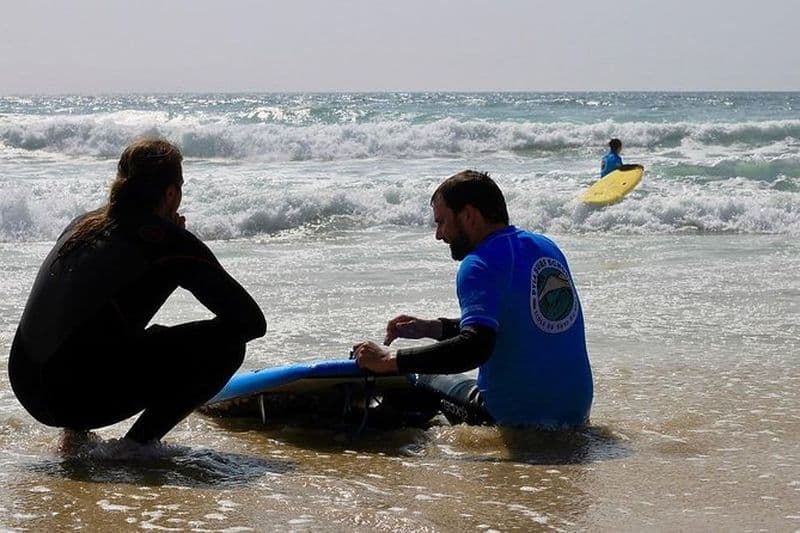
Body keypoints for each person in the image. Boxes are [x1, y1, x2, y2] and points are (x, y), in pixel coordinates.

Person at [8, 138, 266, 445]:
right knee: (229, 346)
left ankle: (74, 437)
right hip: (75, 396)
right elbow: (251, 322)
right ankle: (136, 447)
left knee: (104, 316)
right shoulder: (168, 242)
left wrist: (167, 266)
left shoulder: (83, 224)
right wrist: (180, 254)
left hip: (27, 385)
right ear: (170, 193)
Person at [352, 170, 593, 428]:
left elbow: (475, 347)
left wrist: (389, 360)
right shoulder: (547, 247)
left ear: (468, 215)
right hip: (575, 413)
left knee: (422, 376)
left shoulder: (479, 263)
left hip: (513, 418)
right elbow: (515, 323)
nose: (439, 235)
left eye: (441, 222)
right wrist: (432, 328)